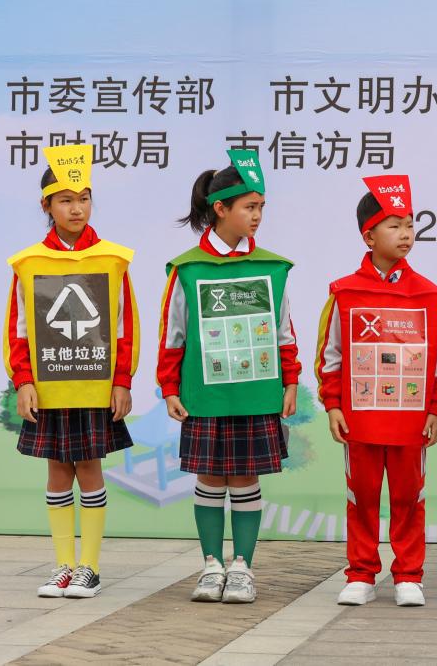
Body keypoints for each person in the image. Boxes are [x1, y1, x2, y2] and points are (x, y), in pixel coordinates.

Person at [157, 149, 300, 605]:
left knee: (245, 479)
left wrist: (291, 381)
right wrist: (169, 388)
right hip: (205, 395)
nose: (257, 216)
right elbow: (173, 336)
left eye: (261, 207)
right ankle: (210, 565)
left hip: (256, 394)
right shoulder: (188, 269)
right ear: (220, 209)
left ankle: (242, 567)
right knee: (210, 478)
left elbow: (284, 332)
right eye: (249, 207)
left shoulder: (272, 269)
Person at [4, 144, 140, 599]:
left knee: (89, 466)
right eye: (65, 200)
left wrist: (122, 381)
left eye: (83, 198)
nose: (76, 208)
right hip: (50, 386)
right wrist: (23, 380)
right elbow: (18, 329)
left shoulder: (113, 259)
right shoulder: (28, 263)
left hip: (95, 386)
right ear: (46, 205)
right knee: (58, 470)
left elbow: (125, 327)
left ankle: (90, 568)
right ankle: (63, 564)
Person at [315, 175, 437, 608]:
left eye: (410, 224)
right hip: (360, 418)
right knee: (362, 495)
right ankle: (361, 573)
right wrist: (333, 404)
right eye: (394, 225)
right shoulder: (345, 293)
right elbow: (331, 355)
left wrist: (435, 408)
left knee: (410, 496)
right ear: (369, 236)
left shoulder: (429, 295)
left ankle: (408, 574)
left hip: (411, 419)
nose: (406, 233)